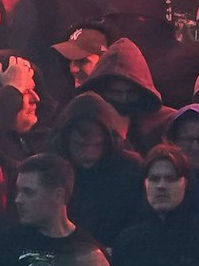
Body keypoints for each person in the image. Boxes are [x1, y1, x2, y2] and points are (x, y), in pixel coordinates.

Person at [48, 92, 145, 244]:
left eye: (97, 145)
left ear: (108, 142)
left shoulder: (131, 169)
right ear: (66, 140)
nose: (89, 154)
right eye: (80, 145)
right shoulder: (50, 168)